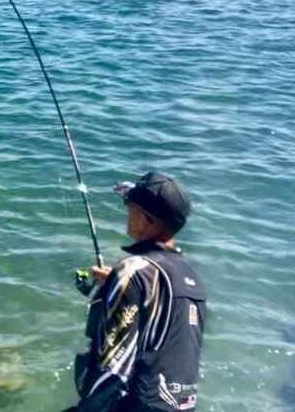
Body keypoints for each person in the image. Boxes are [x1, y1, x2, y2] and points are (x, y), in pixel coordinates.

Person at [64, 172, 206, 412]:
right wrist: (117, 284)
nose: (127, 213)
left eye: (130, 207)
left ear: (145, 219)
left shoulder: (133, 272)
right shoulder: (191, 277)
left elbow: (112, 371)